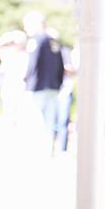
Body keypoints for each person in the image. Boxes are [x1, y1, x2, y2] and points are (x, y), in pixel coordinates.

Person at [22, 11, 65, 152]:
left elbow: (32, 63)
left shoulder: (36, 40)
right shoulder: (53, 41)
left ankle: (37, 150)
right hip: (53, 86)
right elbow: (60, 64)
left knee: (35, 120)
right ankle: (48, 150)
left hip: (37, 86)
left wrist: (25, 80)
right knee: (49, 121)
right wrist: (58, 83)